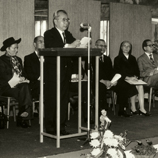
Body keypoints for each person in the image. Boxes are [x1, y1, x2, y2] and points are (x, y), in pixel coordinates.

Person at [44, 10, 80, 135]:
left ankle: (61, 126)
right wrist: (71, 45)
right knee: (52, 99)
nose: (66, 22)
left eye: (67, 20)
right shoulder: (49, 34)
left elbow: (75, 44)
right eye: (64, 19)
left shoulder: (68, 34)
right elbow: (56, 47)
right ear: (55, 21)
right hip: (53, 72)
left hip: (65, 72)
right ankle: (50, 127)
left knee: (64, 100)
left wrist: (79, 44)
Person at [0, 37, 33, 128]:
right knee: (24, 90)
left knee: (25, 87)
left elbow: (24, 73)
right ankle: (23, 116)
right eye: (14, 48)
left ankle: (23, 115)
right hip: (6, 87)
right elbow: (4, 76)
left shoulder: (18, 60)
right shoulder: (1, 60)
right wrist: (18, 79)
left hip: (20, 86)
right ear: (7, 49)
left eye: (17, 48)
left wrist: (24, 78)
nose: (16, 50)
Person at [114, 41, 150, 117]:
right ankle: (128, 109)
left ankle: (141, 109)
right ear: (121, 47)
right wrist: (128, 78)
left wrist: (135, 77)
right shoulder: (117, 59)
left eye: (128, 46)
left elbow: (137, 70)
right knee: (125, 86)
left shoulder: (133, 58)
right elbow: (117, 71)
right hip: (123, 79)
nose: (126, 48)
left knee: (140, 85)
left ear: (130, 48)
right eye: (124, 46)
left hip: (133, 79)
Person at [94, 39, 117, 112]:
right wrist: (102, 80)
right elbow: (92, 73)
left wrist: (113, 80)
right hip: (96, 81)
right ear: (96, 46)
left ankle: (122, 109)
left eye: (105, 46)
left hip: (108, 81)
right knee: (101, 86)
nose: (103, 48)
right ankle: (102, 109)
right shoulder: (91, 58)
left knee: (122, 84)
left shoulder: (107, 59)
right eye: (101, 46)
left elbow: (111, 71)